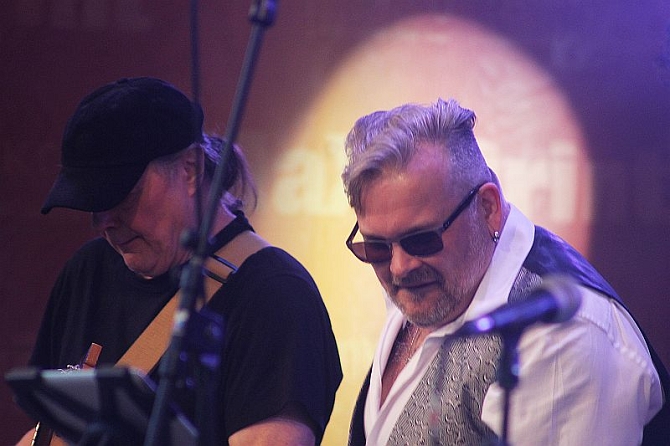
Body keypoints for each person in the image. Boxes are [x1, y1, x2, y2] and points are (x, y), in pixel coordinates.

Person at [16, 77, 342, 445]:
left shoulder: (276, 296)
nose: (103, 221)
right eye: (91, 203)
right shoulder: (86, 272)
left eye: (121, 195)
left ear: (190, 169)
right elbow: (47, 432)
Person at [342, 98, 669, 445]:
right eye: (376, 247)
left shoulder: (565, 342)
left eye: (422, 240)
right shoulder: (434, 278)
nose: (399, 267)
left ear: (488, 208)